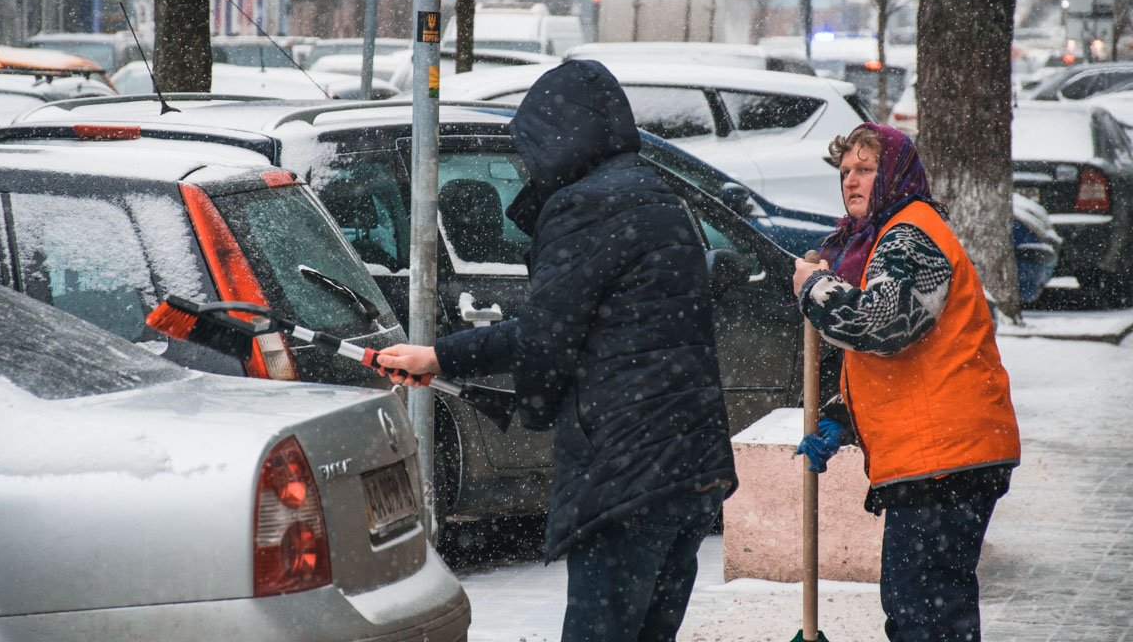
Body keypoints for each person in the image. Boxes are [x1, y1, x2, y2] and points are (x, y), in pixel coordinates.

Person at [377, 59, 737, 642]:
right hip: (691, 464)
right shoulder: (658, 195)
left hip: (627, 473)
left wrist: (449, 361)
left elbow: (546, 336)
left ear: (557, 137)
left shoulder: (584, 207)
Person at [792, 122, 1021, 642]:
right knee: (920, 608)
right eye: (845, 172)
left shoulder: (910, 235)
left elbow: (884, 326)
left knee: (925, 616)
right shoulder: (885, 235)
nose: (852, 181)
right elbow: (911, 357)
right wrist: (841, 417)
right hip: (941, 456)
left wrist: (816, 290)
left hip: (945, 460)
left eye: (866, 169)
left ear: (895, 174)